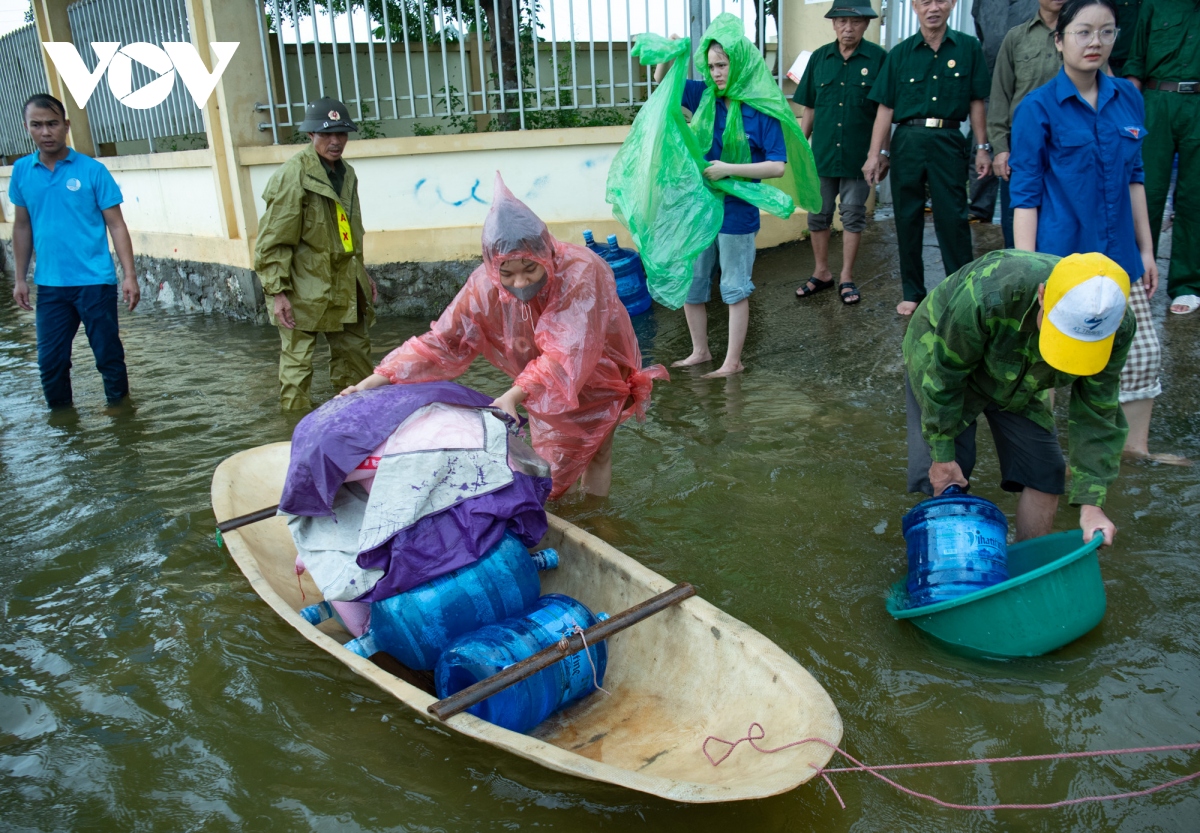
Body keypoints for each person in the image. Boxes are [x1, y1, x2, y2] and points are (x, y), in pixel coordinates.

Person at [339, 173, 668, 501]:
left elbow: (566, 351)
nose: (521, 282)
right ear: (492, 265)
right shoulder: (484, 286)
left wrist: (512, 396)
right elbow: (441, 341)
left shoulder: (581, 271)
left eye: (530, 269)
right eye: (507, 273)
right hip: (536, 386)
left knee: (597, 451)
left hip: (599, 374)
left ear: (547, 255)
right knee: (548, 469)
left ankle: (595, 518)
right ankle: (564, 519)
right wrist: (377, 379)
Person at [1010, 0, 1188, 464]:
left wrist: (1148, 251)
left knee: (1140, 354)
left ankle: (1136, 449)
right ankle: (1045, 461)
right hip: (1061, 261)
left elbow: (1136, 180)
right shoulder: (1037, 109)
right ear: (1060, 40)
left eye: (1106, 33)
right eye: (1083, 32)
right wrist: (1031, 273)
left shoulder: (1128, 98)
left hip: (1119, 257)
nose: (1095, 42)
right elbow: (1025, 198)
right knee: (1050, 363)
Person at [905, 249, 1131, 546]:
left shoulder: (1116, 326)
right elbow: (944, 379)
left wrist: (1092, 503)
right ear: (1042, 294)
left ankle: (1027, 567)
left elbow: (1098, 411)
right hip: (943, 352)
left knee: (1045, 470)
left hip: (1021, 377)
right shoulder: (988, 291)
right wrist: (942, 456)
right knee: (946, 473)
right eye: (1062, 336)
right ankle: (937, 571)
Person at [653, 25, 788, 376]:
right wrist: (671, 52)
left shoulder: (761, 110)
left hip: (738, 211)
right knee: (693, 282)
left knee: (734, 285)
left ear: (740, 63)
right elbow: (662, 84)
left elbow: (777, 165)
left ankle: (733, 361)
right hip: (700, 208)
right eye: (712, 66)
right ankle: (701, 351)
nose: (717, 73)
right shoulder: (703, 96)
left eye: (723, 65)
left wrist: (729, 168)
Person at [9, 94, 139, 410]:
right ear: (27, 128)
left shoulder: (93, 171)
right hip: (51, 286)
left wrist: (129, 276)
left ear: (66, 126)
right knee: (51, 362)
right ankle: (64, 424)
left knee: (108, 356)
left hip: (95, 282)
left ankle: (122, 416)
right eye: (37, 125)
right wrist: (20, 279)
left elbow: (117, 225)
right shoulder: (22, 171)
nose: (45, 132)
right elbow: (22, 227)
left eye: (52, 124)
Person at [865, 0, 993, 316]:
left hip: (949, 140)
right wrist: (876, 154)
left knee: (953, 217)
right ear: (914, 7)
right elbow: (886, 107)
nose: (932, 7)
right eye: (925, 1)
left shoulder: (968, 48)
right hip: (907, 140)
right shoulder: (900, 54)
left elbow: (978, 100)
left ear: (951, 4)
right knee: (906, 217)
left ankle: (961, 290)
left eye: (940, 0)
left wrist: (982, 146)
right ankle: (913, 291)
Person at [254, 97, 377, 409]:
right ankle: (292, 438)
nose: (335, 142)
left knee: (356, 362)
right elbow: (274, 240)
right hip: (302, 285)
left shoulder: (347, 173)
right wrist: (277, 292)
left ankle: (355, 426)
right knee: (297, 369)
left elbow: (350, 232)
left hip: (345, 283)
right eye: (326, 135)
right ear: (311, 135)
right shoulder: (292, 175)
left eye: (341, 134)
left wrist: (362, 272)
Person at [793, 2, 886, 305]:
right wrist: (800, 150)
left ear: (866, 24)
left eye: (856, 22)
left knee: (853, 215)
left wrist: (881, 153)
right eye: (842, 21)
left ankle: (846, 276)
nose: (848, 28)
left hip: (859, 157)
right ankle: (821, 272)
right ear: (833, 24)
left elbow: (886, 110)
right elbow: (810, 108)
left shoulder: (879, 59)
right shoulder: (820, 58)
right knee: (817, 215)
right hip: (822, 156)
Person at [1121, 0, 1200, 314]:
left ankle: (1187, 284)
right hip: (1155, 103)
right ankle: (1136, 275)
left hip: (1197, 105)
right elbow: (1135, 63)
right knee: (1146, 191)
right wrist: (1126, 116)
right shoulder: (1155, 4)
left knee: (1194, 197)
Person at [988, 0, 1067, 248]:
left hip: (1068, 147)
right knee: (1017, 231)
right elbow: (1000, 94)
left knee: (1064, 227)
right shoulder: (1016, 37)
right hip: (1021, 149)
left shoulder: (1081, 35)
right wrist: (1000, 148)